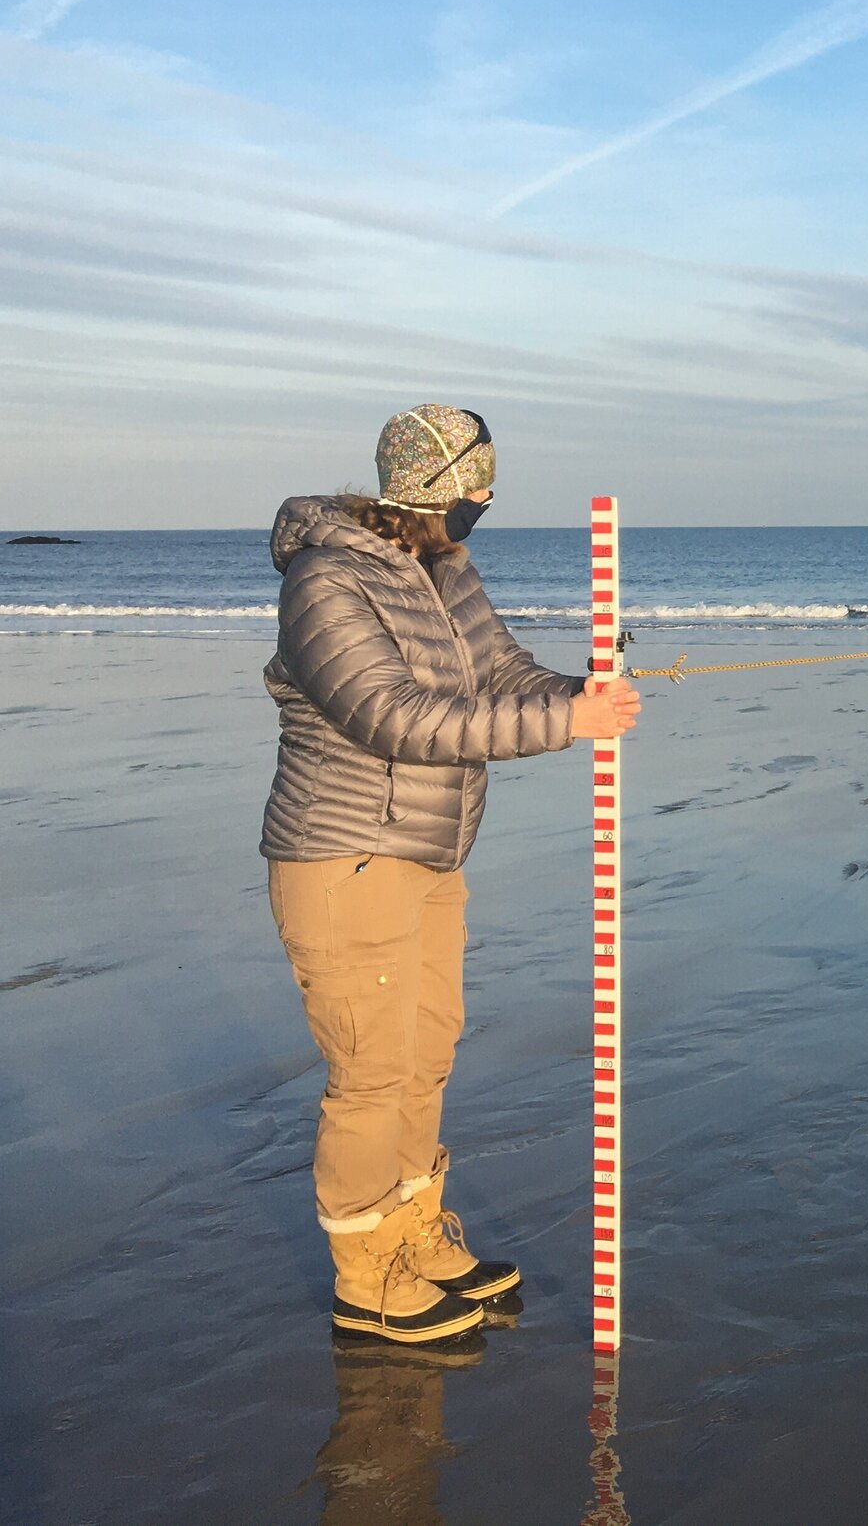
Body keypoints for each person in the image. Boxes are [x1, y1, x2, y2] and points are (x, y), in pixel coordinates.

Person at [261, 405, 641, 1343]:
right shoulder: (325, 580)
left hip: (430, 854)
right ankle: (367, 1277)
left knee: (427, 1048)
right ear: (435, 487)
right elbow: (393, 717)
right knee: (370, 1069)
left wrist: (574, 694)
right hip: (346, 857)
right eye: (477, 482)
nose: (487, 498)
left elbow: (500, 675)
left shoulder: (443, 569)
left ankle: (416, 1236)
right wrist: (569, 728)